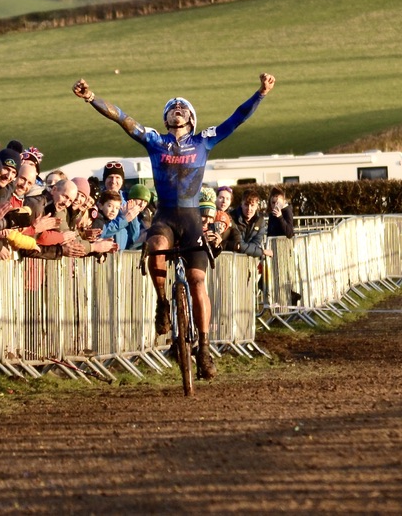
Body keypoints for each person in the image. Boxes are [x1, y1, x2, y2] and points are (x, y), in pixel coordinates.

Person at [72, 72, 275, 380]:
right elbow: (123, 119)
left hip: (191, 218)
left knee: (197, 281)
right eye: (172, 108)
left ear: (191, 118)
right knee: (155, 245)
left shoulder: (204, 141)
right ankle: (163, 303)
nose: (177, 110)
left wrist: (260, 93)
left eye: (182, 108)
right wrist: (91, 98)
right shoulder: (155, 140)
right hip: (165, 217)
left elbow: (236, 118)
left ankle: (204, 348)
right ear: (166, 119)